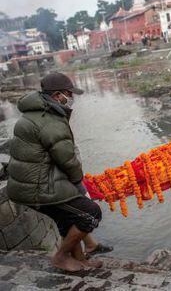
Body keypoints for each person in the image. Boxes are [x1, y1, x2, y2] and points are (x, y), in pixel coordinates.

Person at [6, 72, 108, 272]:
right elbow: (67, 159)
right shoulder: (50, 120)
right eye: (69, 94)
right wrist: (79, 184)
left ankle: (81, 261)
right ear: (57, 96)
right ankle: (61, 257)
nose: (71, 98)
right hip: (36, 188)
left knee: (68, 218)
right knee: (90, 213)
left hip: (29, 183)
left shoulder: (36, 113)